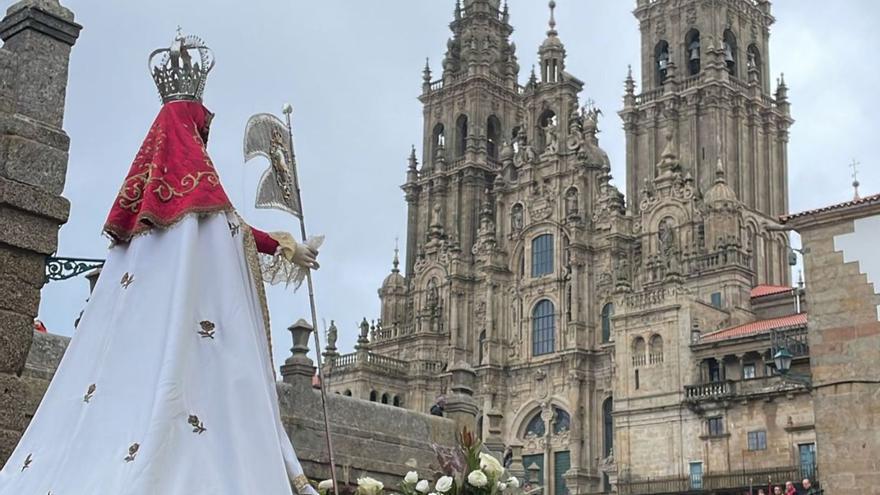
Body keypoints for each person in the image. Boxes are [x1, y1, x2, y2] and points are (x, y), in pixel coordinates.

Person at [0, 32, 319, 495]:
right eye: (201, 127)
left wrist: (285, 246)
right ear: (190, 129)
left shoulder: (143, 218)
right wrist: (288, 247)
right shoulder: (201, 192)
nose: (204, 136)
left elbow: (230, 230)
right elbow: (235, 231)